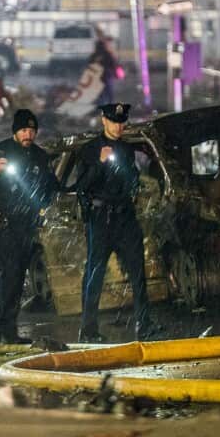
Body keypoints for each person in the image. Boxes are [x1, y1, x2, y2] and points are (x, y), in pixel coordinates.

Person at [0, 109, 59, 344]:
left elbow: (51, 187)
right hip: (3, 224)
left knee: (16, 276)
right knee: (12, 271)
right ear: (15, 132)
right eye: (24, 130)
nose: (28, 134)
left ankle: (9, 331)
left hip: (27, 226)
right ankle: (5, 332)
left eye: (32, 130)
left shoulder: (40, 156)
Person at [74, 103, 155, 343]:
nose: (119, 127)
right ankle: (88, 330)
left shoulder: (127, 149)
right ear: (104, 120)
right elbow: (81, 186)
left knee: (138, 272)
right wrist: (99, 163)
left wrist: (135, 185)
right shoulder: (90, 150)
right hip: (101, 219)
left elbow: (132, 180)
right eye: (114, 122)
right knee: (95, 273)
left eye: (122, 122)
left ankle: (145, 325)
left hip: (125, 217)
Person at [89, 40, 120, 107]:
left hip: (98, 77)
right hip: (107, 76)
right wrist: (115, 73)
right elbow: (113, 65)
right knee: (109, 93)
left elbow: (90, 66)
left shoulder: (94, 55)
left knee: (100, 94)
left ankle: (101, 106)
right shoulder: (108, 54)